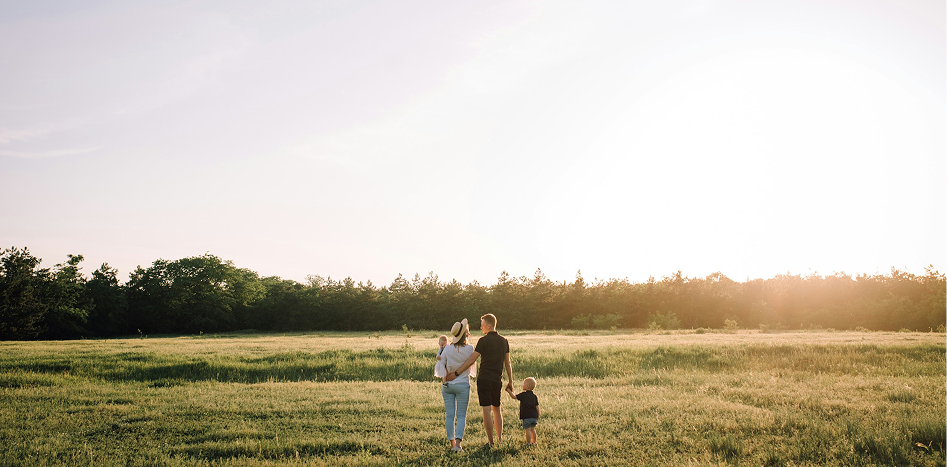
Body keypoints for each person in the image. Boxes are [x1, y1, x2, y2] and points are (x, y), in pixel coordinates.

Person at [444, 313, 512, 446]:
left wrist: (457, 373)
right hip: (497, 379)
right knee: (497, 409)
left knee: (486, 409)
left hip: (484, 379)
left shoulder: (483, 341)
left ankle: (491, 442)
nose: (481, 328)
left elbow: (471, 360)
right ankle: (500, 439)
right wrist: (511, 381)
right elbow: (508, 363)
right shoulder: (504, 341)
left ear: (488, 325)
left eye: (482, 325)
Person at [434, 319, 476, 452]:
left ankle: (452, 444)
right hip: (463, 385)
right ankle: (458, 445)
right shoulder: (470, 349)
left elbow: (442, 365)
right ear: (465, 334)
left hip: (448, 385)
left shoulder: (447, 348)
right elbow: (471, 365)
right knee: (462, 415)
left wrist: (445, 380)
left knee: (450, 415)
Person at [506, 377, 539, 447]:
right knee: (533, 429)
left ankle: (528, 443)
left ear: (527, 386)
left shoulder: (523, 395)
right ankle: (535, 442)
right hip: (534, 416)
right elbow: (537, 406)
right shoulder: (534, 396)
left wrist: (508, 390)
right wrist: (538, 415)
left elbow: (514, 396)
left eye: (523, 384)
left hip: (527, 416)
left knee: (528, 430)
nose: (522, 385)